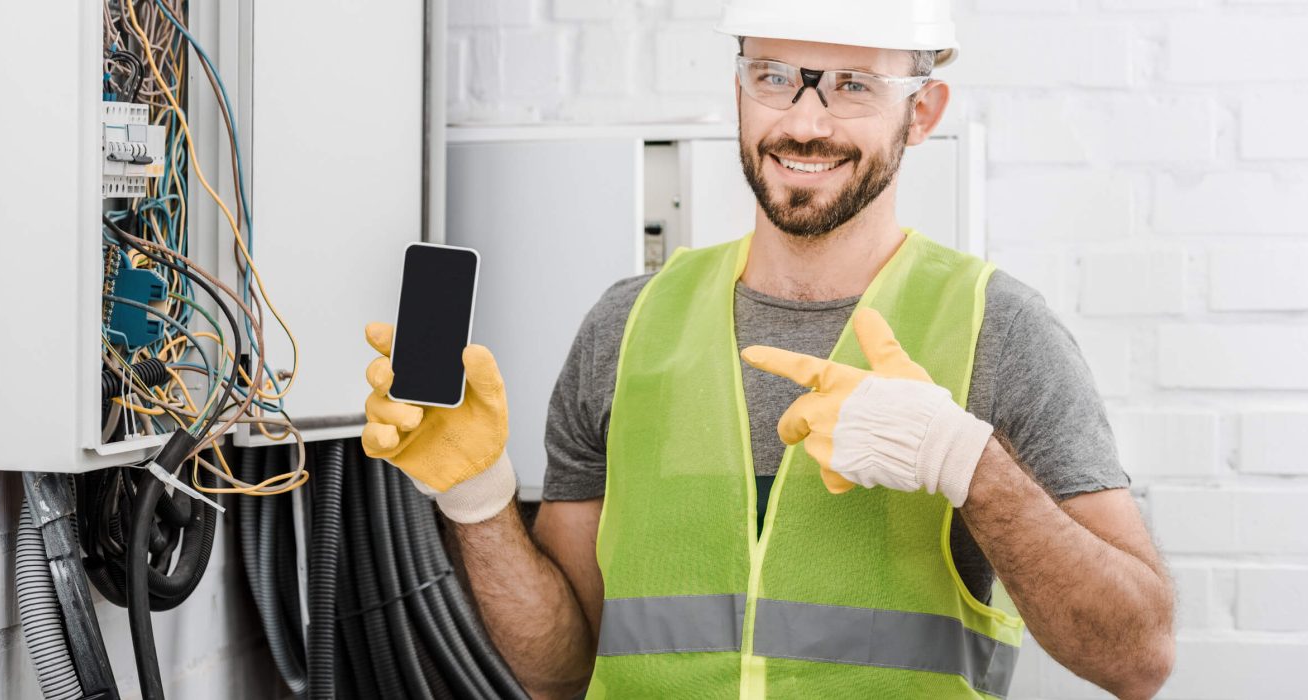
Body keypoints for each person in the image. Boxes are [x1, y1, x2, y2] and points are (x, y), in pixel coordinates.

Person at [362, 1, 1176, 696]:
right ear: (740, 86)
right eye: (775, 75)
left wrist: (966, 461)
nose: (804, 121)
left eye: (854, 86)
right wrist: (478, 498)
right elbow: (559, 671)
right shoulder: (627, 327)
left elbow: (1136, 660)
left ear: (922, 113)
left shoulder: (998, 330)